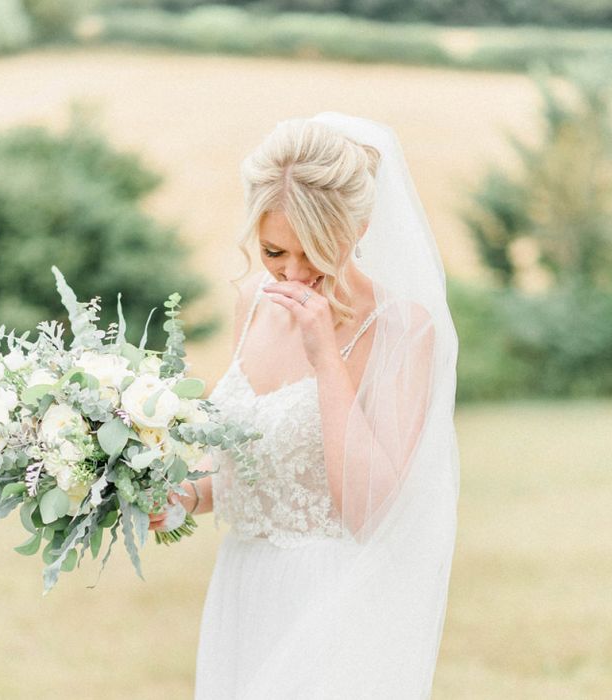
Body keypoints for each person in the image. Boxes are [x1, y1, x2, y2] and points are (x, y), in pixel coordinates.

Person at [150, 112, 460, 699]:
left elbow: (370, 511)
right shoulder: (253, 303)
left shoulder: (402, 329)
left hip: (334, 598)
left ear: (361, 227)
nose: (293, 274)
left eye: (316, 252)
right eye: (273, 251)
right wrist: (181, 494)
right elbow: (249, 449)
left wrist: (326, 362)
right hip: (244, 590)